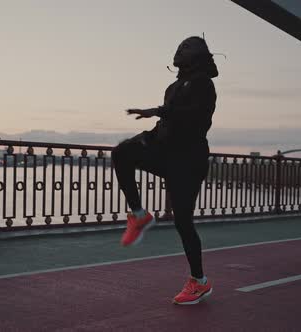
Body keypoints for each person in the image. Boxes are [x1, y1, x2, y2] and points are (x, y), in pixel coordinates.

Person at [111, 36, 218, 305]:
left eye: (185, 48)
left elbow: (191, 118)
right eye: (178, 47)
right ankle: (138, 214)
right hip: (167, 154)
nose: (178, 51)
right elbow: (167, 124)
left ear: (196, 55)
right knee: (122, 152)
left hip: (189, 161)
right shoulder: (172, 87)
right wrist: (146, 137)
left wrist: (158, 111)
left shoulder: (205, 85)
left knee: (183, 221)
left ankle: (199, 282)